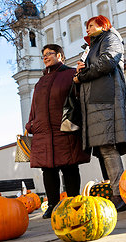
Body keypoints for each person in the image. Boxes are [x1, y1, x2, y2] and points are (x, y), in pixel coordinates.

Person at [26, 44, 91, 219]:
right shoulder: (40, 82)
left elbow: (79, 98)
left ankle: (73, 202)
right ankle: (53, 205)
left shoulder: (70, 74)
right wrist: (30, 124)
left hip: (64, 128)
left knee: (69, 166)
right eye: (44, 55)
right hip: (43, 132)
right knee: (48, 170)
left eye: (49, 54)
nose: (45, 57)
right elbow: (34, 106)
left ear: (60, 56)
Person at [73, 15, 126, 212]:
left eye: (91, 25)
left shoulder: (110, 37)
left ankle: (120, 194)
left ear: (103, 24)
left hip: (105, 98)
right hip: (95, 101)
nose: (87, 29)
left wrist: (84, 74)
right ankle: (116, 193)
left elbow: (107, 62)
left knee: (107, 147)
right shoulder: (92, 46)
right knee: (102, 150)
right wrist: (81, 71)